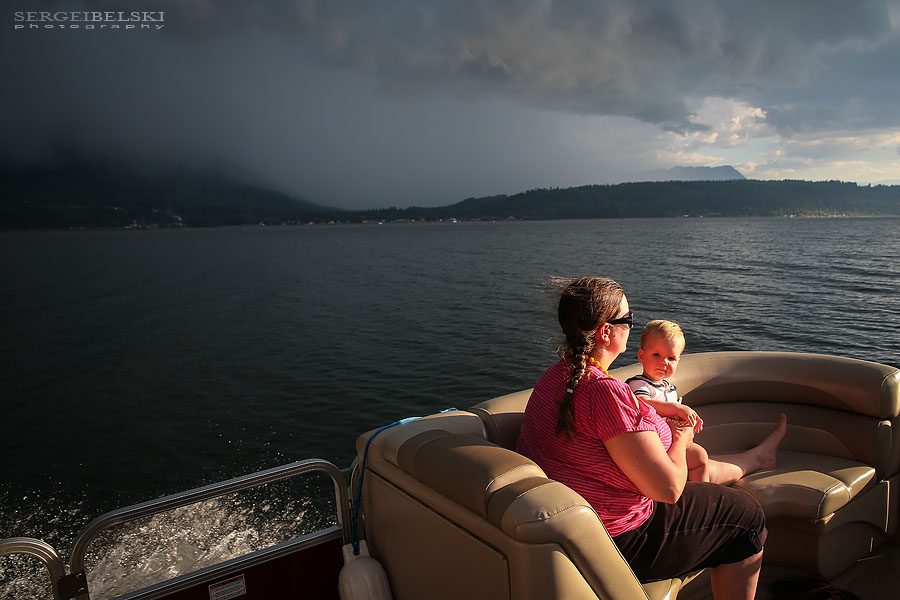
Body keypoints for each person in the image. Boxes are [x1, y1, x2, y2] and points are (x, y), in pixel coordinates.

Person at [516, 276, 771, 599]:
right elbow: (669, 490)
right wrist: (682, 437)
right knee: (745, 514)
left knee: (714, 490)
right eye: (628, 320)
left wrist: (651, 408)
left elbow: (603, 423)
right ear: (606, 331)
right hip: (620, 540)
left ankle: (755, 460)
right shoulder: (603, 393)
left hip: (582, 529)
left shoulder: (557, 375)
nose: (631, 327)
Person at [626, 319, 787, 484]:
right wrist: (677, 408)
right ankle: (702, 496)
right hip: (656, 449)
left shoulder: (669, 388)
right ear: (641, 356)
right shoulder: (639, 384)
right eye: (656, 355)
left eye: (671, 358)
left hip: (671, 446)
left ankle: (706, 491)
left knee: (701, 458)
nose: (664, 362)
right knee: (701, 457)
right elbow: (642, 403)